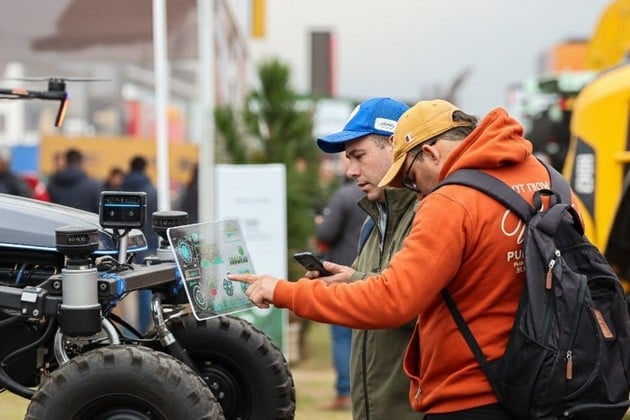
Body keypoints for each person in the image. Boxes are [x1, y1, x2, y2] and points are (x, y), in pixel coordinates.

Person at [230, 99, 576, 419]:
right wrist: (356, 279)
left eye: (408, 176)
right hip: (542, 384)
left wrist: (284, 292)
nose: (417, 190)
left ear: (428, 152)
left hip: (467, 395)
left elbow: (395, 299)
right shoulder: (547, 180)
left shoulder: (448, 202)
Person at [313, 97, 420, 419]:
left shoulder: (430, 216)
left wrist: (353, 282)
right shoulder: (373, 220)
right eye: (348, 159)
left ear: (395, 146)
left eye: (358, 156)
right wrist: (346, 282)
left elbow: (421, 309)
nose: (350, 171)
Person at [314, 173, 365, 411]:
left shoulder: (343, 196)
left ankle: (345, 393)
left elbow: (326, 234)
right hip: (371, 274)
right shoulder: (384, 194)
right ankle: (361, 391)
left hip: (341, 274)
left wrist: (320, 223)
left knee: (342, 336)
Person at [120, 155, 159, 259]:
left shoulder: (121, 189)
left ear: (130, 167)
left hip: (125, 239)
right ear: (144, 168)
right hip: (148, 239)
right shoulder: (152, 191)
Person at [47, 148, 101, 212]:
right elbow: (100, 212)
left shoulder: (52, 184)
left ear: (66, 162)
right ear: (81, 162)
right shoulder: (94, 186)